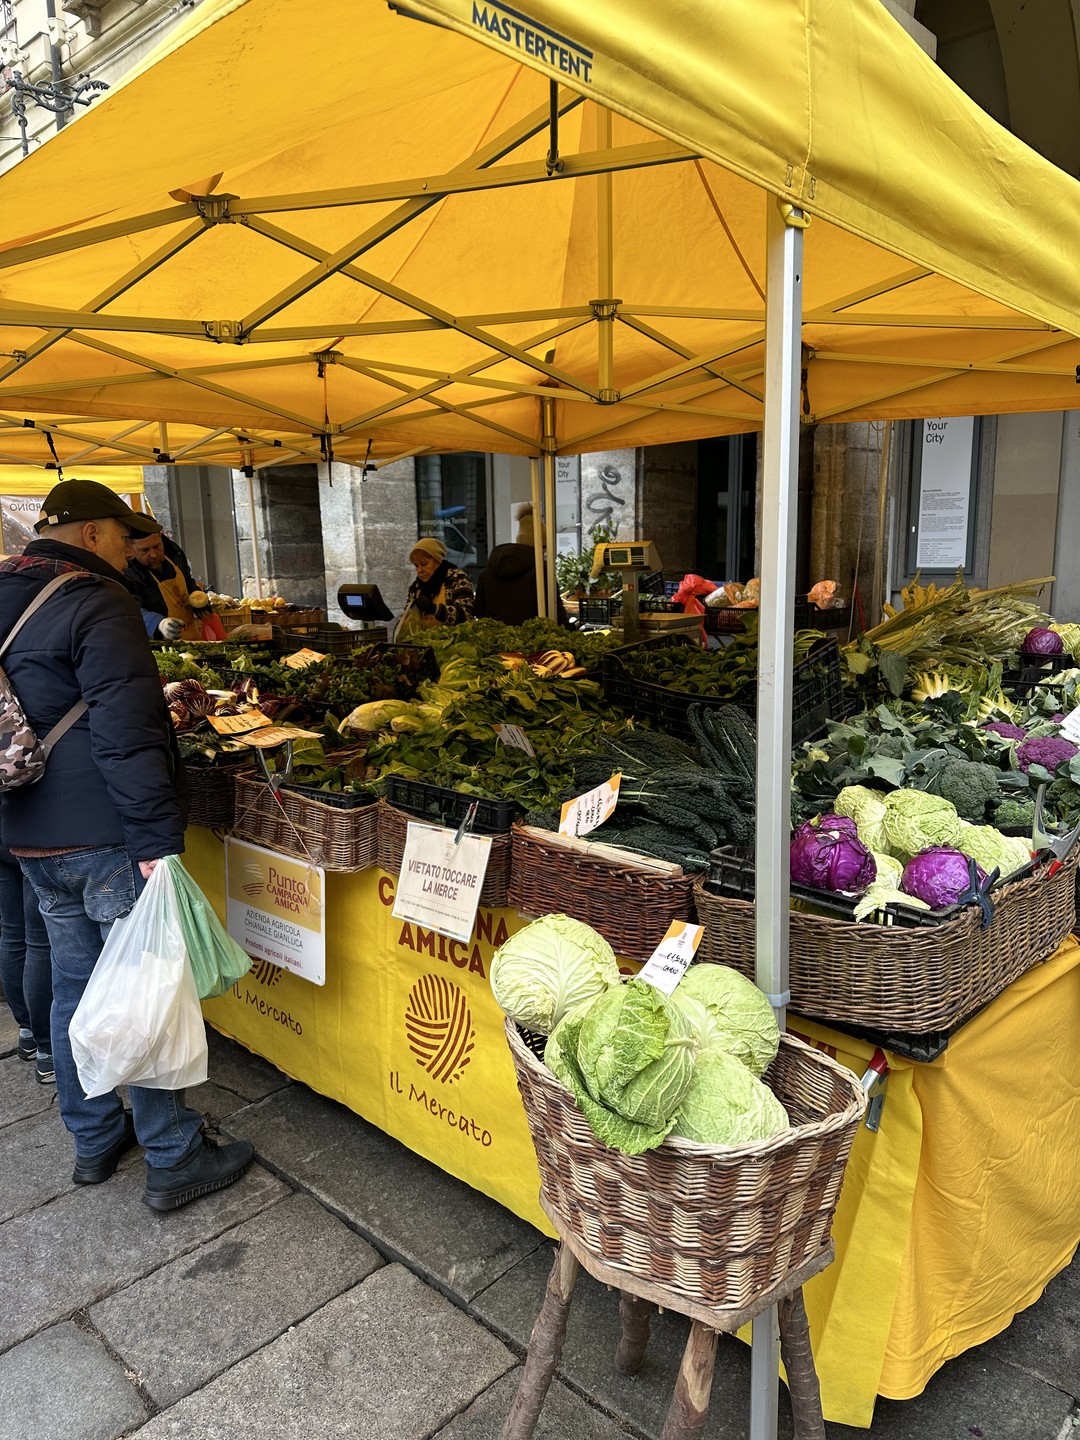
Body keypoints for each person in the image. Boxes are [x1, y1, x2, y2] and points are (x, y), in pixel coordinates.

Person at [0, 478, 253, 1209]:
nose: (128, 547)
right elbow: (126, 732)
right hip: (104, 830)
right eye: (121, 534)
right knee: (144, 989)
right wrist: (154, 838)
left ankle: (94, 1137)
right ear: (90, 533)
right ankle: (173, 1154)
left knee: (76, 986)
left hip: (30, 830)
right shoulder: (95, 599)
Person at [0, 842, 53, 1084]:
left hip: (6, 830)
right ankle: (47, 1050)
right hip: (33, 839)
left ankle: (28, 1032)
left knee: (12, 933)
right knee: (39, 942)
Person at [473, 507, 568, 626]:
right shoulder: (541, 572)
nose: (545, 553)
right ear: (540, 546)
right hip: (531, 634)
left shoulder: (488, 572)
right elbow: (556, 612)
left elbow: (479, 610)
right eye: (544, 548)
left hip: (495, 634)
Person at [122, 515, 202, 642]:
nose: (154, 554)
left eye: (157, 546)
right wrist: (159, 624)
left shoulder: (174, 552)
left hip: (191, 637)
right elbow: (132, 609)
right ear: (130, 548)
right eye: (145, 550)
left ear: (160, 536)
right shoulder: (127, 572)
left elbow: (187, 579)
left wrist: (197, 598)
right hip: (159, 643)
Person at [395, 536, 475, 639]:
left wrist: (433, 609)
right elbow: (407, 622)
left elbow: (466, 616)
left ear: (437, 561)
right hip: (424, 644)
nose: (419, 570)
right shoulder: (416, 587)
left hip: (453, 643)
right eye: (416, 566)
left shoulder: (457, 579)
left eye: (424, 564)